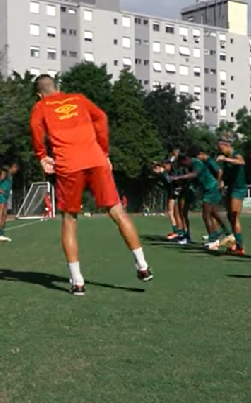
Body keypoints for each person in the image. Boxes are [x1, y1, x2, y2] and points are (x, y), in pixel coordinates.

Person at [30, 74, 153, 296]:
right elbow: (102, 118)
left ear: (39, 94)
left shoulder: (40, 106)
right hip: (95, 160)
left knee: (69, 220)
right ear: (57, 88)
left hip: (69, 165)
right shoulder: (79, 98)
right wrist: (103, 151)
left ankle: (77, 282)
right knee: (117, 211)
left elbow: (36, 128)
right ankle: (142, 266)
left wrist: (41, 155)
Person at [169, 146, 234, 251]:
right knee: (214, 213)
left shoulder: (196, 163)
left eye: (182, 163)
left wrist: (178, 177)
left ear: (186, 160)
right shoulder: (191, 164)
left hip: (211, 189)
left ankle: (213, 239)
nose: (183, 166)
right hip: (208, 189)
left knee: (206, 214)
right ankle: (228, 234)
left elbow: (195, 174)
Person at [217, 133, 247, 255]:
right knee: (230, 216)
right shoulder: (225, 158)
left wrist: (226, 159)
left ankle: (240, 246)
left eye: (220, 147)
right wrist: (221, 183)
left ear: (225, 145)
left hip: (238, 189)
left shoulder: (235, 154)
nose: (219, 150)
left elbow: (241, 162)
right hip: (231, 188)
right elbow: (225, 175)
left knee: (234, 217)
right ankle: (235, 244)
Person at [0, 162, 19, 242]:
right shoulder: (5, 173)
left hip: (5, 196)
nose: (16, 170)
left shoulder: (10, 175)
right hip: (0, 196)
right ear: (12, 167)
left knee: (4, 214)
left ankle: (1, 232)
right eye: (16, 168)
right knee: (0, 214)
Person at [165, 147, 182, 239]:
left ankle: (178, 231)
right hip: (174, 188)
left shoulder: (177, 163)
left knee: (174, 211)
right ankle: (179, 231)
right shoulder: (174, 161)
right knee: (173, 212)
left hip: (176, 189)